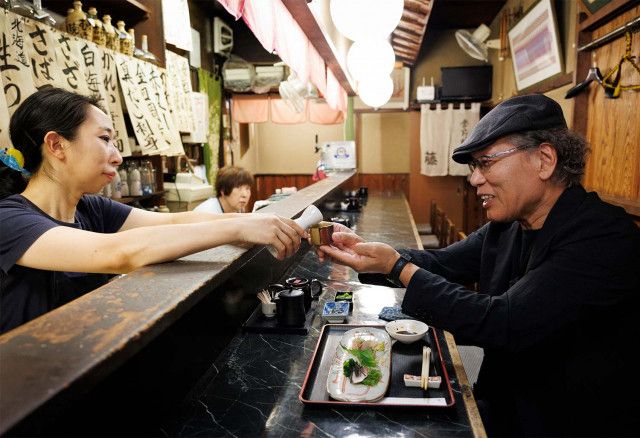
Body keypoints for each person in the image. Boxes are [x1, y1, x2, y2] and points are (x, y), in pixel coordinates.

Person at [318, 94, 640, 436]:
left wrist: (399, 268)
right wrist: (374, 257)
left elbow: (507, 321)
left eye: (486, 162)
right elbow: (441, 263)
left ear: (544, 160)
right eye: (474, 166)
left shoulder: (603, 237)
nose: (474, 179)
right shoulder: (511, 226)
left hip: (565, 420)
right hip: (503, 403)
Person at [0, 87, 306, 334]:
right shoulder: (10, 220)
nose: (117, 157)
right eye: (105, 139)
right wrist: (237, 228)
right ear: (56, 145)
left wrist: (253, 221)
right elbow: (117, 253)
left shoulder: (89, 209)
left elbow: (173, 219)